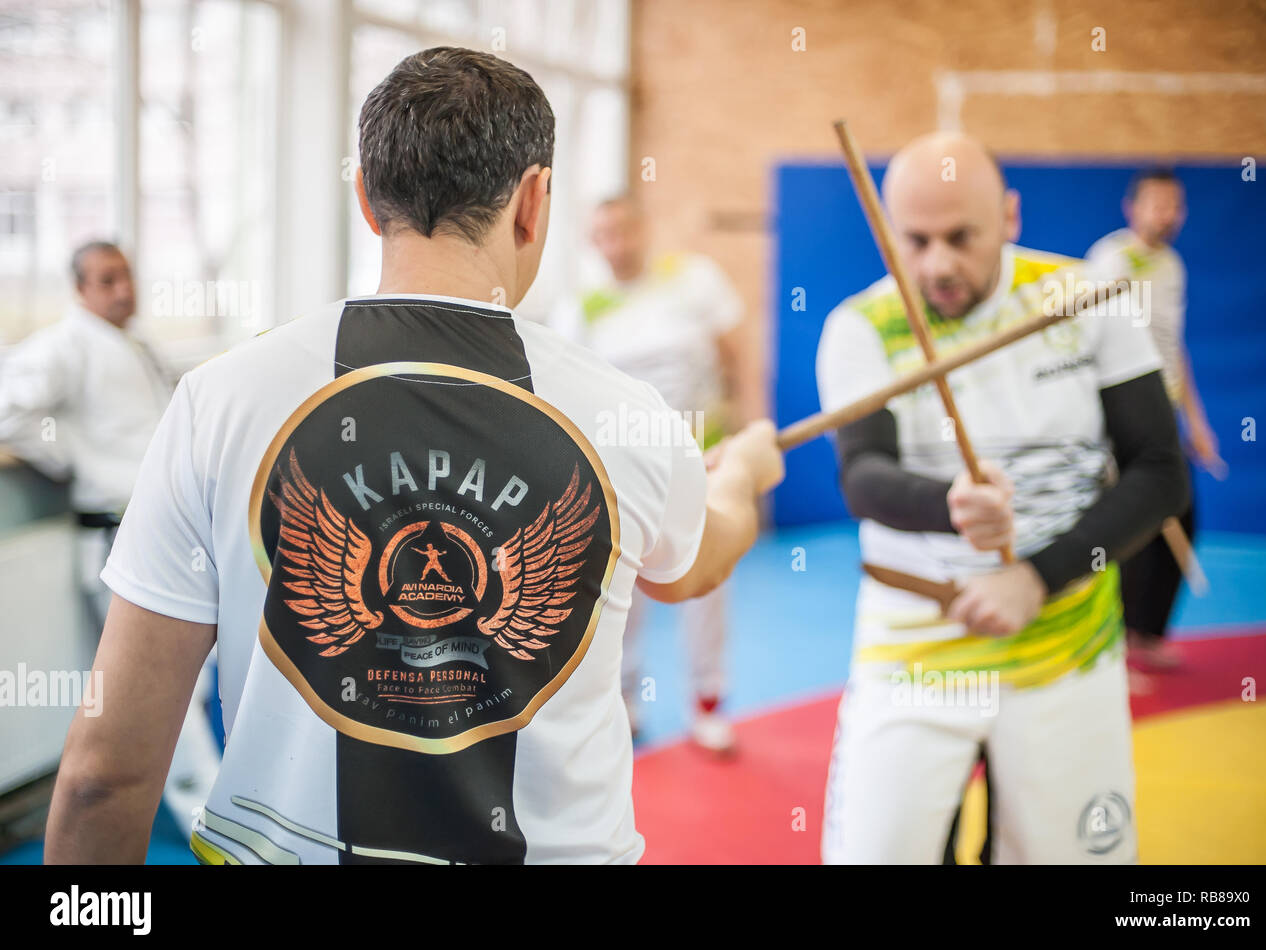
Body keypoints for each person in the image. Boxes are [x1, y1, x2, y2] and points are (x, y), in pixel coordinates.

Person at [44, 46, 783, 865]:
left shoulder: (218, 398)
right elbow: (694, 565)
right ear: (535, 201)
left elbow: (102, 778)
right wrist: (747, 468)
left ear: (365, 196)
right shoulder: (625, 413)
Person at [815, 132, 1188, 864]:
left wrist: (1035, 575)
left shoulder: (1087, 298)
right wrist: (948, 502)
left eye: (962, 237)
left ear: (1010, 217)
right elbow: (863, 476)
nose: (938, 265)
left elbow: (1159, 471)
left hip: (1066, 641)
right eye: (914, 241)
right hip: (911, 650)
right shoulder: (860, 325)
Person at [0, 241, 221, 837]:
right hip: (117, 534)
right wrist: (72, 460)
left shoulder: (135, 340)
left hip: (169, 531)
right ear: (79, 289)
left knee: (193, 683)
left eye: (125, 276)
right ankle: (207, 824)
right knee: (154, 695)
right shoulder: (64, 347)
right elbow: (8, 410)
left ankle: (213, 803)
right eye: (105, 280)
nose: (122, 290)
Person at [552, 196, 766, 753]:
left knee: (708, 587)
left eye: (624, 229)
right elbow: (571, 402)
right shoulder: (581, 311)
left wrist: (751, 426)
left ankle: (708, 704)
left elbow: (737, 355)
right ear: (592, 243)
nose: (617, 243)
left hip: (704, 463)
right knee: (623, 595)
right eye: (604, 235)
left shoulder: (694, 281)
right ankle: (626, 703)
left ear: (644, 228)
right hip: (624, 479)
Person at [1087, 169, 1222, 673]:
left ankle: (1146, 634)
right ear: (1133, 208)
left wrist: (1197, 423)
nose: (1169, 214)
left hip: (1162, 411)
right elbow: (1090, 342)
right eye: (1158, 204)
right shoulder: (1110, 260)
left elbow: (1174, 349)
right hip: (1121, 410)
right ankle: (1111, 648)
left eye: (1176, 205)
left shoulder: (1172, 266)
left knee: (1182, 515)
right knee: (1131, 530)